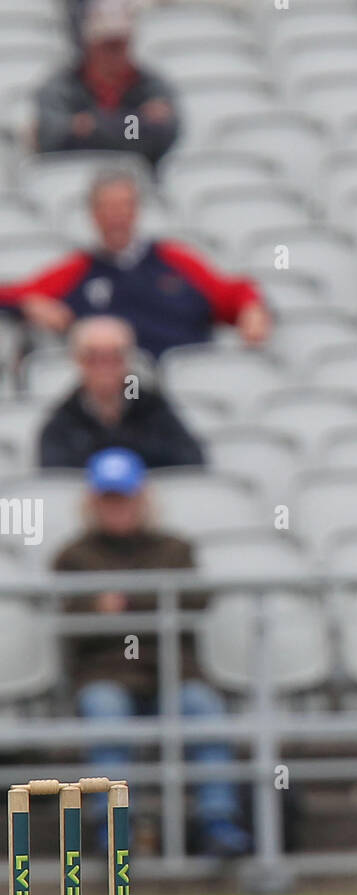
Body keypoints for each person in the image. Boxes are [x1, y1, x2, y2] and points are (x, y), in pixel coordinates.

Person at [53, 447, 251, 857]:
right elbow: (71, 622)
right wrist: (153, 601)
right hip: (107, 676)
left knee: (203, 707)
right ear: (93, 503)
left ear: (142, 499)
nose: (118, 508)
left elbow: (197, 600)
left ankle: (218, 821)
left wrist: (119, 605)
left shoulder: (174, 548)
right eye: (109, 499)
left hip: (173, 673)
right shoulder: (72, 556)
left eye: (124, 497)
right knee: (105, 710)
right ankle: (113, 827)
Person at [0, 171, 272, 358]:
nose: (116, 217)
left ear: (137, 210)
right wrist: (28, 305)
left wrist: (251, 308)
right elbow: (11, 295)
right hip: (119, 392)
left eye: (123, 207)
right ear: (93, 214)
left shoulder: (175, 260)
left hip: (186, 381)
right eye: (107, 208)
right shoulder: (77, 271)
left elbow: (232, 295)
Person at [39, 315, 205, 471]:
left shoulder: (151, 407)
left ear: (129, 359)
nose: (105, 367)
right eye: (93, 357)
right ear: (77, 360)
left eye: (115, 356)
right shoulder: (64, 417)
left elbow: (191, 461)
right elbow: (55, 476)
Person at [35, 0, 179, 168]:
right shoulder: (61, 87)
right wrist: (135, 120)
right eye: (108, 45)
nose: (115, 54)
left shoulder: (150, 84)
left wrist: (92, 126)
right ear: (89, 45)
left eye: (121, 44)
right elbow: (52, 139)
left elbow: (161, 136)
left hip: (134, 177)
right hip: (76, 173)